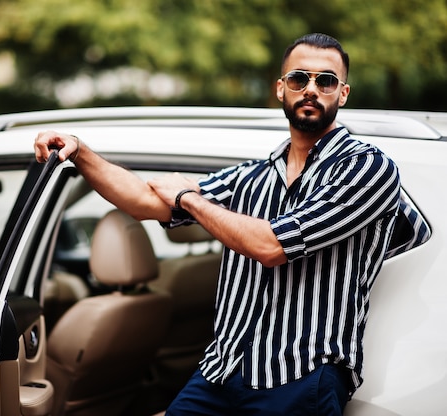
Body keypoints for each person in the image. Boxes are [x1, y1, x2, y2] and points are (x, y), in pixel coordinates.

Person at [35, 33, 401, 415]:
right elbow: (145, 201)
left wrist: (188, 198)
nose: (311, 89)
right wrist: (80, 151)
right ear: (281, 89)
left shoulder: (366, 168)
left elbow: (271, 246)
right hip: (221, 371)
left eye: (325, 81)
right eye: (299, 79)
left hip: (301, 378)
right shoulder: (252, 176)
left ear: (342, 93)